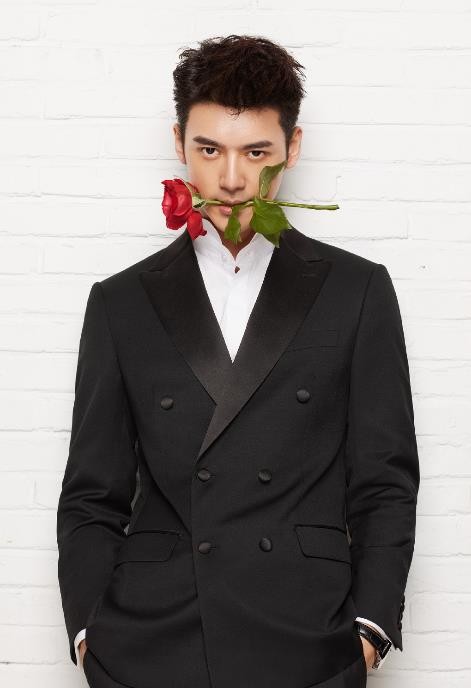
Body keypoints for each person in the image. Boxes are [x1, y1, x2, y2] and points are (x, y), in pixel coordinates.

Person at [57, 34, 420, 688]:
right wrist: (90, 632)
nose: (230, 179)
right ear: (178, 144)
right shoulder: (120, 302)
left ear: (292, 148)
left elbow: (384, 481)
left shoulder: (356, 290)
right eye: (209, 150)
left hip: (305, 636)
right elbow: (92, 493)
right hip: (152, 641)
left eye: (256, 152)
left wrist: (369, 630)